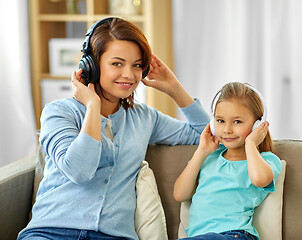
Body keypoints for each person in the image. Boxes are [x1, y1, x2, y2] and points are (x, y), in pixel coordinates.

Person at [18, 17, 209, 240]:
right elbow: (79, 171)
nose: (129, 75)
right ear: (91, 65)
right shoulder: (58, 113)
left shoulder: (144, 118)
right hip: (50, 232)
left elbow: (205, 134)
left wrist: (174, 88)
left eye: (137, 65)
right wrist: (93, 107)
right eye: (117, 63)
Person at [173, 82, 283, 240]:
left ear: (257, 126)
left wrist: (251, 144)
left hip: (235, 235)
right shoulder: (209, 157)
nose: (227, 129)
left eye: (237, 122)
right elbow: (179, 194)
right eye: (220, 121)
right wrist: (201, 151)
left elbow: (259, 179)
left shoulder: (266, 160)